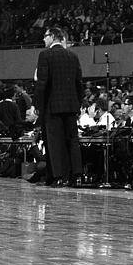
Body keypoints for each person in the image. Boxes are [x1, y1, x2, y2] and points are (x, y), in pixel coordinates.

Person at [34, 27, 85, 187]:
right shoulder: (73, 56)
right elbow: (79, 83)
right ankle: (76, 176)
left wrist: (38, 105)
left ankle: (57, 177)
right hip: (71, 106)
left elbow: (42, 83)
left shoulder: (45, 55)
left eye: (46, 36)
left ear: (54, 36)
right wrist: (78, 104)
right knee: (72, 141)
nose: (44, 39)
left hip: (52, 106)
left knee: (54, 142)